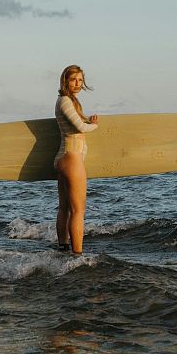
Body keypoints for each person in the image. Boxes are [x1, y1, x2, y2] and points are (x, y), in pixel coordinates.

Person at [54, 65, 99, 255]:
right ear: (65, 80)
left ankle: (63, 250)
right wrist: (94, 125)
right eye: (74, 79)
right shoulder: (65, 100)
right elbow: (80, 127)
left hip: (65, 158)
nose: (78, 83)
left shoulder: (68, 102)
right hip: (72, 159)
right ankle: (77, 255)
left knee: (65, 208)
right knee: (78, 211)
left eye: (80, 80)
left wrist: (87, 119)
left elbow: (75, 122)